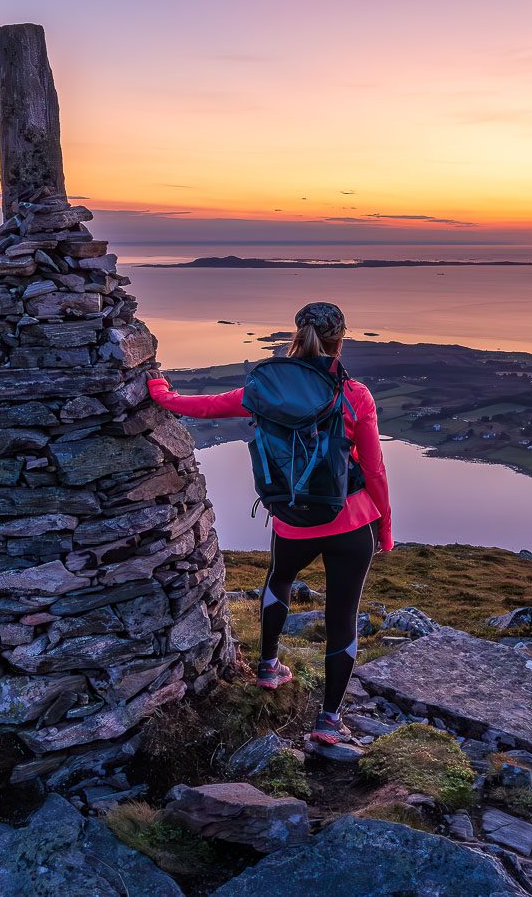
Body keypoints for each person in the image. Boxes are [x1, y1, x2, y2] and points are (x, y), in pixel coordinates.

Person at [147, 301, 392, 746]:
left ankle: (268, 667)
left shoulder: (267, 390)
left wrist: (162, 394)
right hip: (351, 517)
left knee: (279, 578)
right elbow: (373, 469)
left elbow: (204, 407)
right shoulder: (354, 394)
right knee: (343, 614)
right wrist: (385, 526)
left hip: (292, 516)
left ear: (297, 335)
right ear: (341, 340)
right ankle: (329, 721)